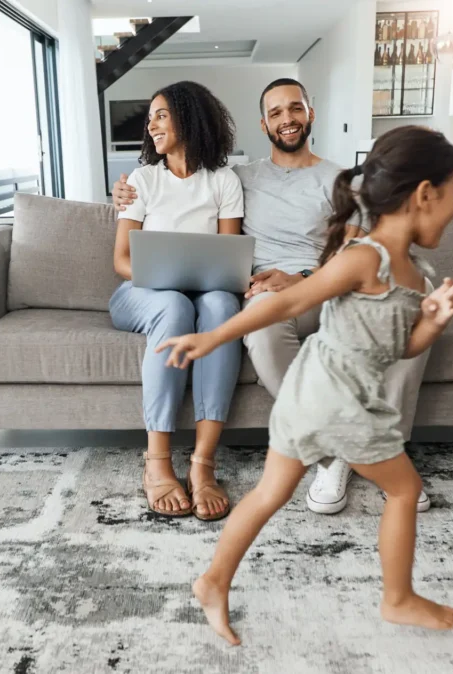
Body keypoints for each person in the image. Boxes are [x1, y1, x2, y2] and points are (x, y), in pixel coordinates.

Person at [158, 126, 453, 644]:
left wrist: (431, 322)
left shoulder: (416, 273)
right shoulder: (365, 257)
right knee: (405, 490)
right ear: (425, 194)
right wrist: (213, 336)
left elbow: (400, 348)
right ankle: (398, 599)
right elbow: (286, 302)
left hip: (313, 396)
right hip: (341, 403)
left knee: (268, 494)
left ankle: (212, 582)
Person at [113, 78, 433, 515]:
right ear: (263, 123)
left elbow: (359, 249)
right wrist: (122, 191)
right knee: (250, 320)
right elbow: (180, 197)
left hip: (320, 285)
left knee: (404, 310)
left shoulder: (341, 181)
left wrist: (303, 276)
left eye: (295, 109)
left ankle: (371, 446)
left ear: (310, 114)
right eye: (276, 113)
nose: (287, 120)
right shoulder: (239, 176)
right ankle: (336, 442)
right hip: (258, 292)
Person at [109, 82, 245, 521]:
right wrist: (166, 280)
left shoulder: (223, 181)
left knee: (223, 307)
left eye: (161, 114)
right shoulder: (142, 181)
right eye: (150, 117)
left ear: (190, 117)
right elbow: (122, 260)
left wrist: (203, 282)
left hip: (206, 293)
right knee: (174, 306)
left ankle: (203, 465)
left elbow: (228, 258)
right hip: (141, 294)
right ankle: (157, 463)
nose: (151, 124)